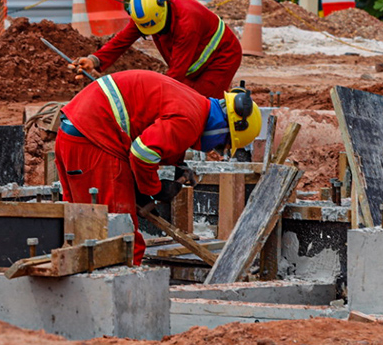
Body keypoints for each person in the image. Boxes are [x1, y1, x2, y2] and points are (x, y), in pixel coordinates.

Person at [54, 70, 262, 265]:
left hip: (77, 134)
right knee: (119, 241)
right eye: (221, 145)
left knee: (78, 227)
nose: (215, 150)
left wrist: (176, 162)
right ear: (225, 128)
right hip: (95, 141)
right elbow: (142, 154)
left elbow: (151, 127)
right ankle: (120, 299)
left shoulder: (195, 103)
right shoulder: (190, 119)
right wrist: (155, 189)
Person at [71, 0, 242, 99]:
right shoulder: (147, 13)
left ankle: (219, 145)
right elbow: (122, 40)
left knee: (199, 103)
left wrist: (147, 97)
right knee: (183, 99)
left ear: (164, 11)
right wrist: (94, 60)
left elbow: (176, 74)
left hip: (222, 58)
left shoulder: (187, 24)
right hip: (194, 64)